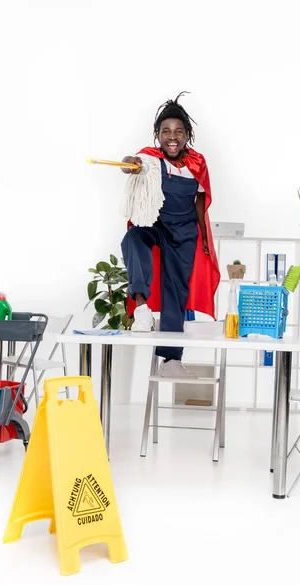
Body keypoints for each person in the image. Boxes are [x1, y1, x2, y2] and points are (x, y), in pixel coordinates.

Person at [121, 92, 220, 379]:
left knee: (176, 292)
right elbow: (134, 162)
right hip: (155, 223)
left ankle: (171, 360)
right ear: (157, 135)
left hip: (185, 231)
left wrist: (203, 239)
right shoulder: (150, 158)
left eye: (178, 131)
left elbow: (201, 199)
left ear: (187, 135)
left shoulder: (198, 163)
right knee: (133, 239)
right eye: (166, 131)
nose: (172, 137)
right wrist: (130, 164)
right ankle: (141, 307)